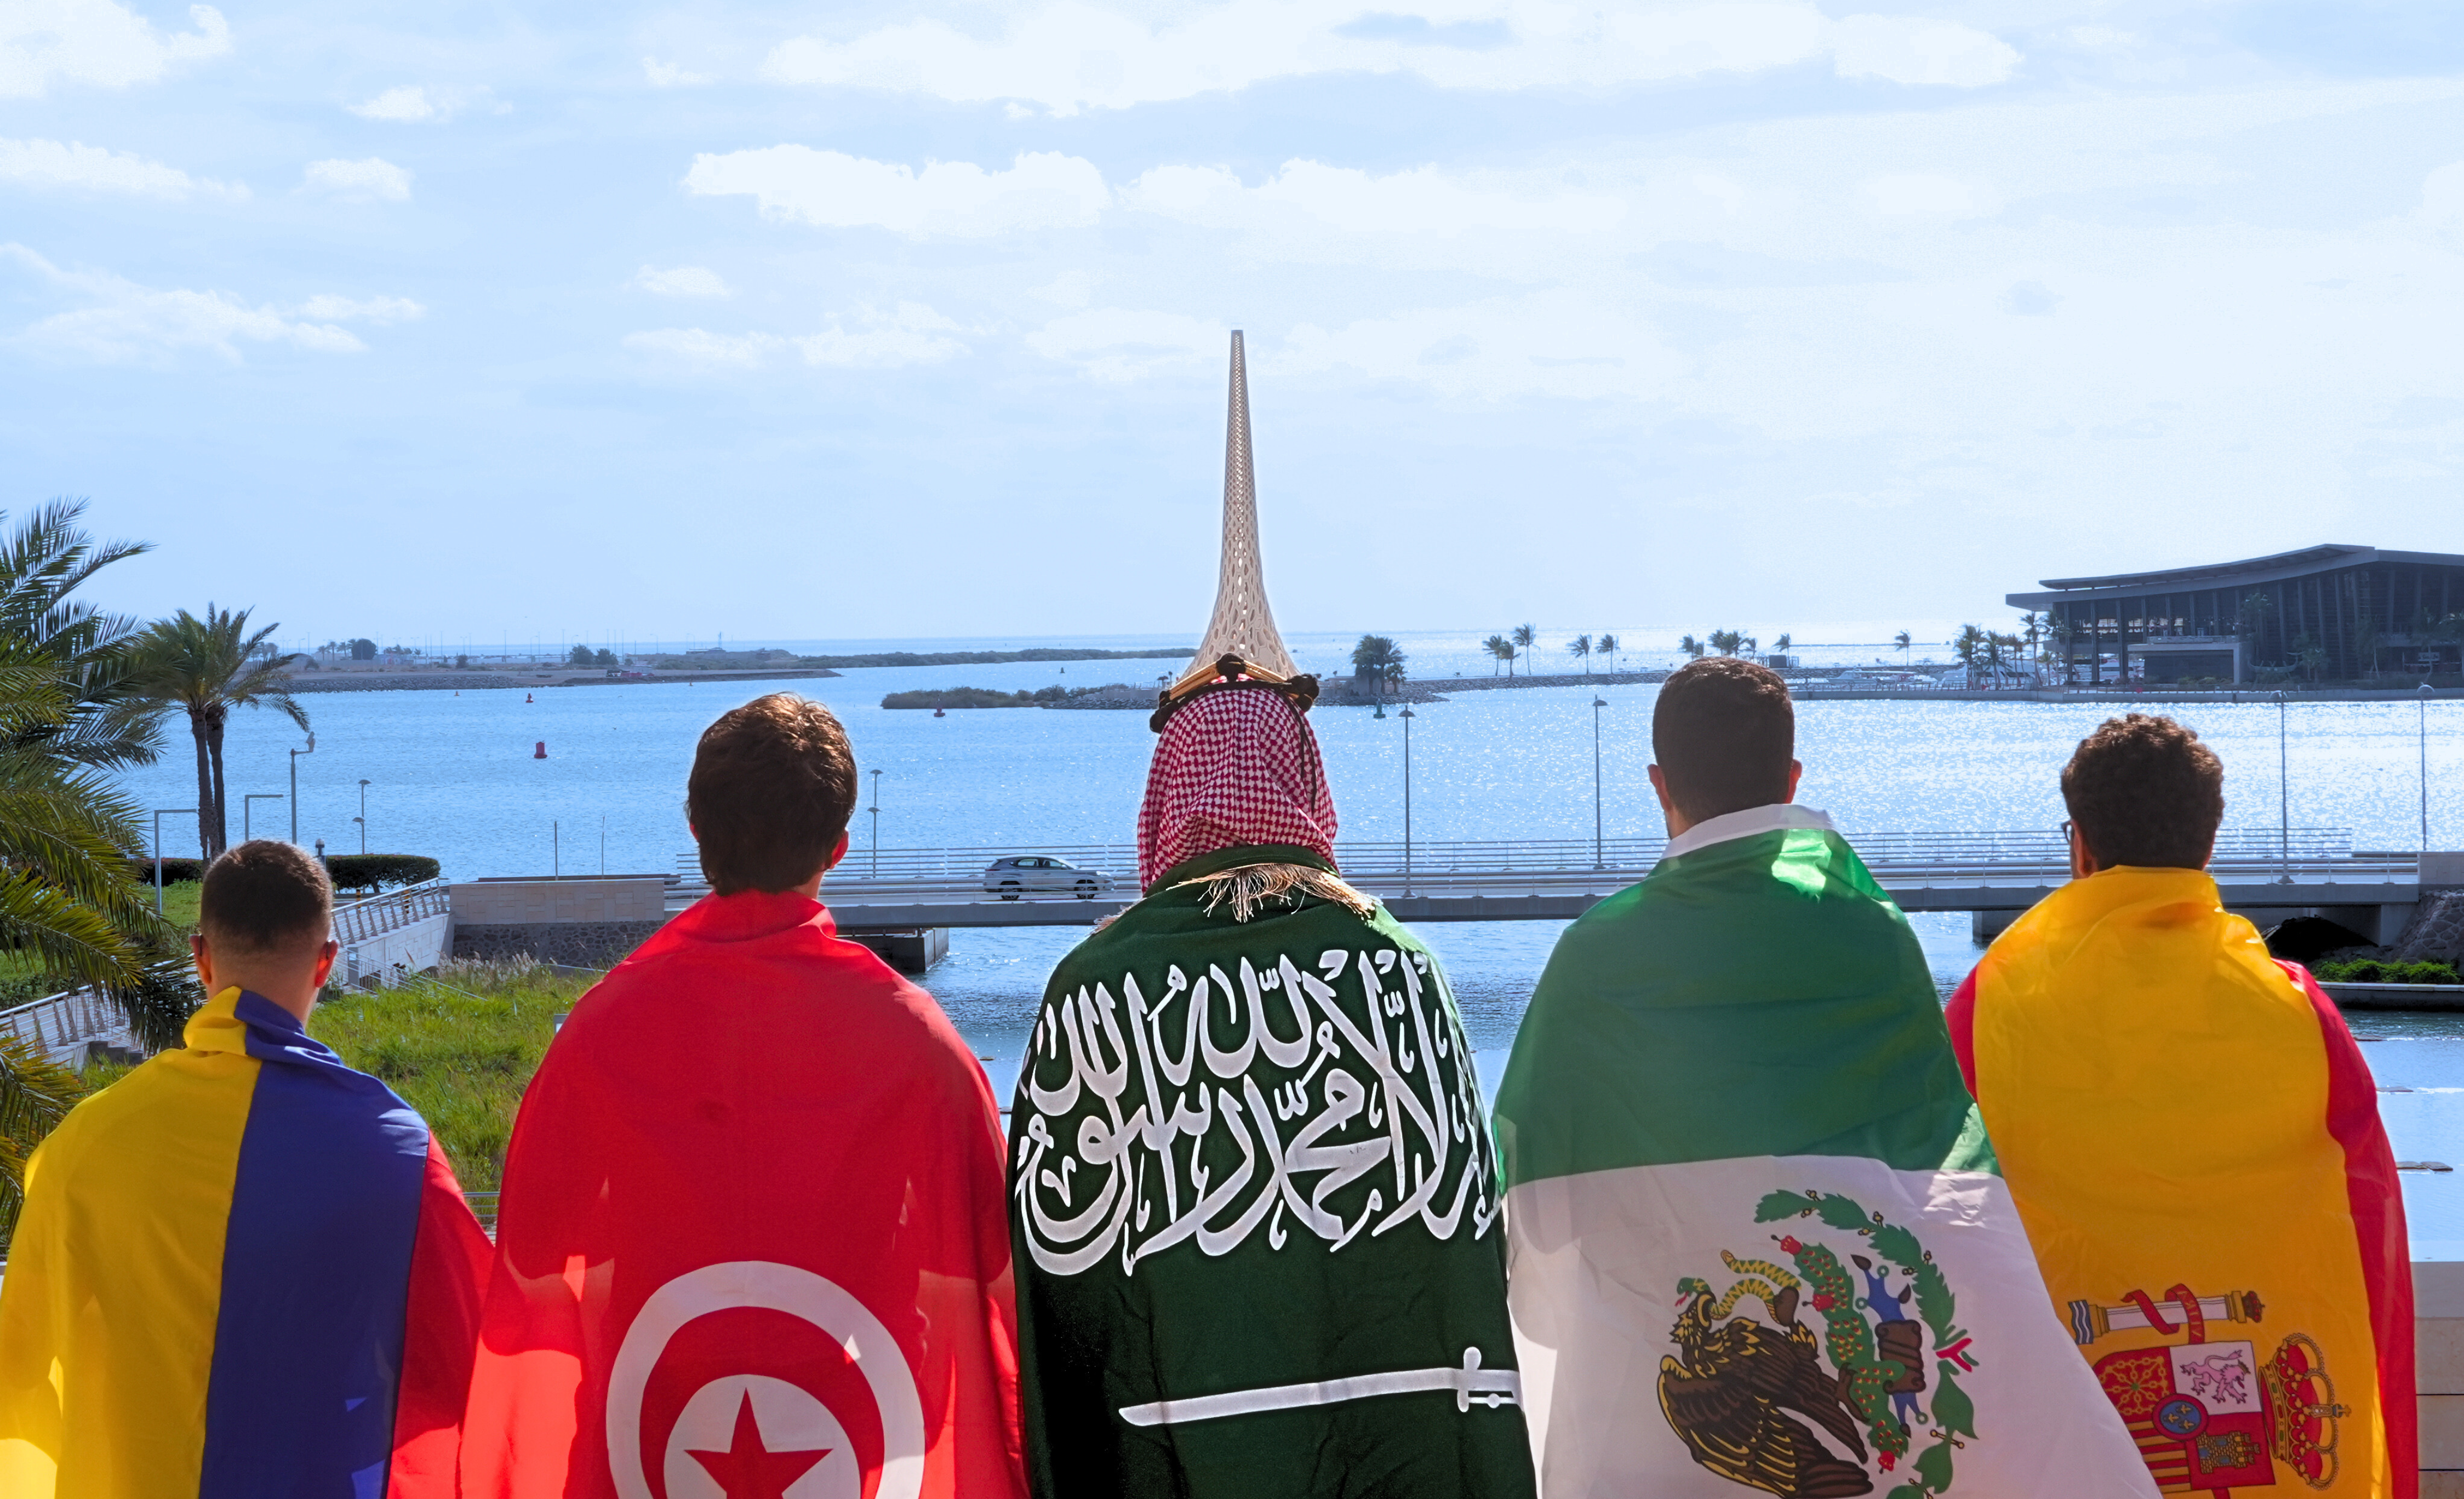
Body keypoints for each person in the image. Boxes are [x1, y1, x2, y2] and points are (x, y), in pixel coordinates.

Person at [1494, 659, 2157, 1497]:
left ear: (1658, 783)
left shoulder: (1597, 954)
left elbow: (1533, 1190)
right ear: (1793, 778)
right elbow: (1943, 1167)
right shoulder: (1868, 929)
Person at [462, 693, 1025, 1498]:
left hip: (649, 1435)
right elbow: (991, 1275)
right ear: (837, 845)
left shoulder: (599, 1030)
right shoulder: (919, 1039)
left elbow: (534, 1266)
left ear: (696, 834)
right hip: (863, 1444)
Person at [1007, 665, 1535, 1498]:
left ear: (1165, 797)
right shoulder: (1399, 969)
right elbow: (1465, 1222)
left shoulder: (1094, 987)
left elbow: (1062, 1279)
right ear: (1307, 787)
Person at [1948, 714, 2415, 1494]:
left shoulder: (1995, 1001)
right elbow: (2367, 1217)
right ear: (2209, 841)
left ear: (2081, 845)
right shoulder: (2295, 1010)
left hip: (2072, 1431)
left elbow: (1941, 1205)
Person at [0, 839, 491, 1496]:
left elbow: (22, 1368)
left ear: (200, 957)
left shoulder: (85, 1145)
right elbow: (476, 1360)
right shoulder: (395, 1148)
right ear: (326, 963)